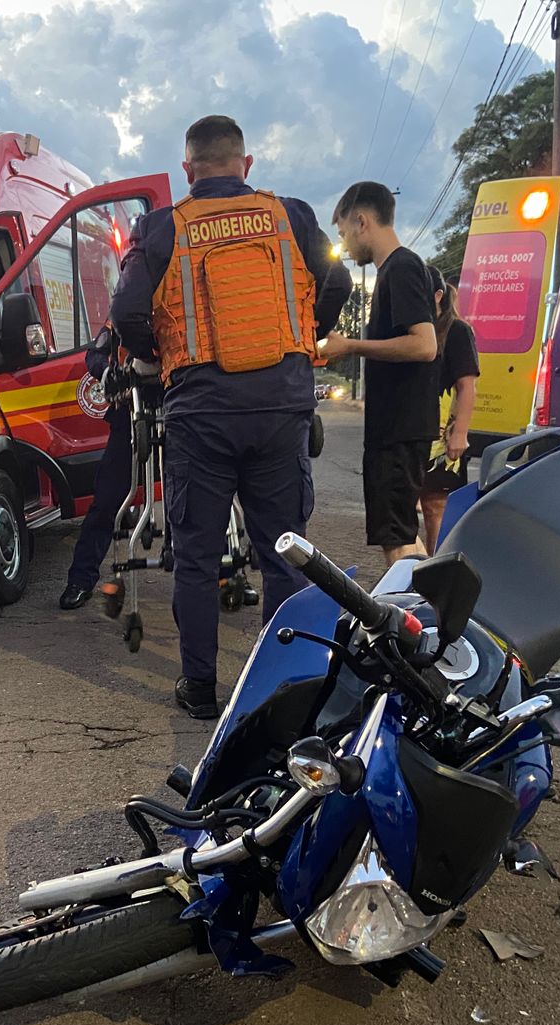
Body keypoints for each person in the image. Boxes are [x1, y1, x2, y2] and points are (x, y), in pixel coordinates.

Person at [110, 114, 350, 718]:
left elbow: (127, 311)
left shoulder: (163, 227)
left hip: (201, 413)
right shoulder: (289, 215)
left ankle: (199, 691)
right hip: (280, 407)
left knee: (194, 557)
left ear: (187, 170)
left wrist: (159, 356)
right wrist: (304, 334)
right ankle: (283, 691)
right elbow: (339, 281)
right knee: (284, 551)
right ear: (247, 165)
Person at [319, 181, 439, 565]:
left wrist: (351, 346)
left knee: (397, 539)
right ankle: (426, 614)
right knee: (403, 533)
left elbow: (424, 345)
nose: (346, 246)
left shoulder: (402, 268)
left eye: (343, 234)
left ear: (361, 221)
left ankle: (407, 621)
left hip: (400, 429)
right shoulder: (398, 269)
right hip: (401, 428)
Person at [59, 325, 136, 609]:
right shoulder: (128, 305)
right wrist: (108, 372)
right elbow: (95, 354)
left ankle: (224, 575)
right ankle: (80, 580)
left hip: (183, 409)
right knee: (106, 500)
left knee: (201, 499)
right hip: (131, 411)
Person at [419, 266, 480, 551]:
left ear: (438, 296)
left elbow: (467, 386)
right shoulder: (416, 331)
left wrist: (460, 434)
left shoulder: (458, 331)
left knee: (435, 506)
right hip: (413, 434)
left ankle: (434, 568)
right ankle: (412, 569)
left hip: (443, 437)